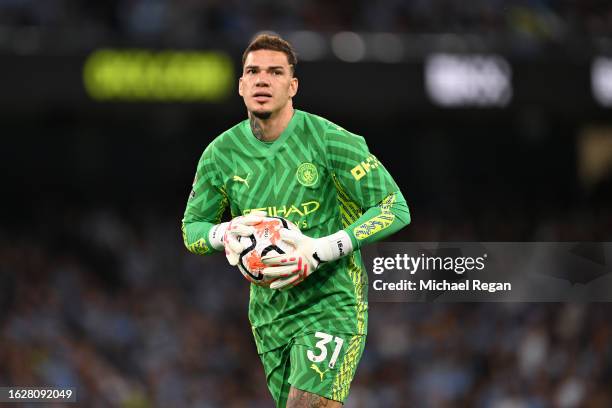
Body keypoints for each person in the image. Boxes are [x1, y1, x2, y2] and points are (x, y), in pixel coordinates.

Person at [182, 33, 410, 407]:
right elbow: (192, 229)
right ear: (240, 85)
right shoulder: (220, 155)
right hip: (269, 314)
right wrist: (224, 232)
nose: (262, 79)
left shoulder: (329, 140)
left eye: (275, 72)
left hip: (332, 301)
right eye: (253, 71)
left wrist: (322, 249)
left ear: (293, 86)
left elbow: (394, 207)